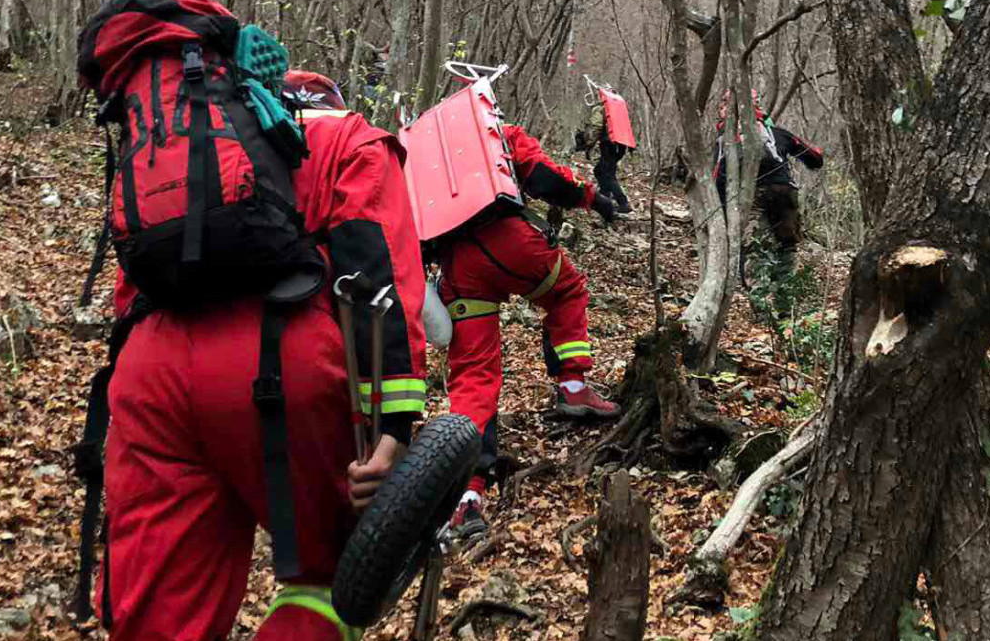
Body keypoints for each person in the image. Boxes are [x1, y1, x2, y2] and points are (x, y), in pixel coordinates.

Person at [101, 69, 427, 641]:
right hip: (279, 361)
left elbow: (133, 281)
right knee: (327, 586)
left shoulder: (197, 143)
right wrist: (393, 426)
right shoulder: (352, 139)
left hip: (149, 371)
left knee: (160, 616)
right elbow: (377, 275)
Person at [439, 122, 621, 541]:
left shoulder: (433, 154)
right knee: (567, 293)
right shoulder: (495, 131)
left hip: (458, 266)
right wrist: (593, 199)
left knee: (473, 376)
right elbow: (542, 177)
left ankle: (467, 496)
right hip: (510, 242)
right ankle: (573, 385)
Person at [712, 89, 823, 267]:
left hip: (751, 194)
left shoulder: (726, 139)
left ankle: (757, 290)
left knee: (753, 245)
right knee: (788, 245)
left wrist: (721, 207)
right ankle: (786, 288)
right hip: (784, 191)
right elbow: (815, 159)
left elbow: (718, 176)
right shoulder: (776, 134)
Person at [578, 95, 632, 213]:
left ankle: (623, 203)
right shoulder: (616, 109)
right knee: (600, 171)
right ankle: (605, 198)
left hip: (608, 144)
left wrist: (588, 143)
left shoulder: (601, 108)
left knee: (608, 175)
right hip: (620, 144)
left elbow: (596, 127)